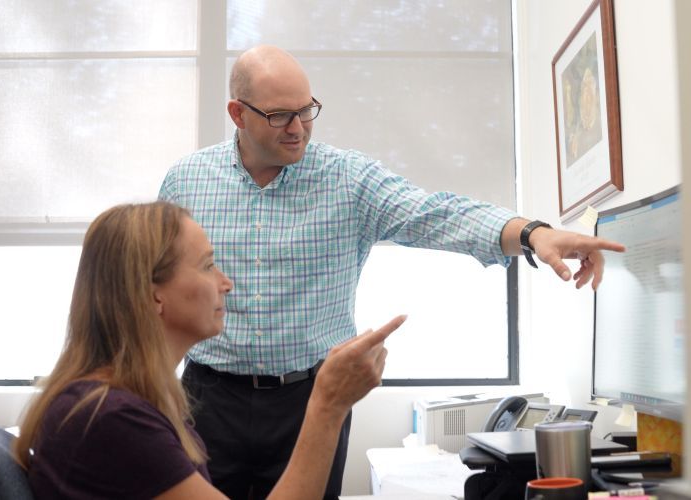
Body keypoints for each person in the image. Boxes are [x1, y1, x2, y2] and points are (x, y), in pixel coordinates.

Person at [158, 45, 626, 499]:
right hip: (205, 399)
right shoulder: (186, 181)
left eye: (307, 110)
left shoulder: (346, 178)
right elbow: (151, 283)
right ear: (238, 114)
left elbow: (435, 214)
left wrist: (530, 233)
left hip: (313, 399)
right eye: (280, 115)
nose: (298, 128)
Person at [12, 201, 407, 499]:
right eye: (207, 265)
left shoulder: (128, 401)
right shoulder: (111, 419)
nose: (226, 283)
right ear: (152, 296)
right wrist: (328, 405)